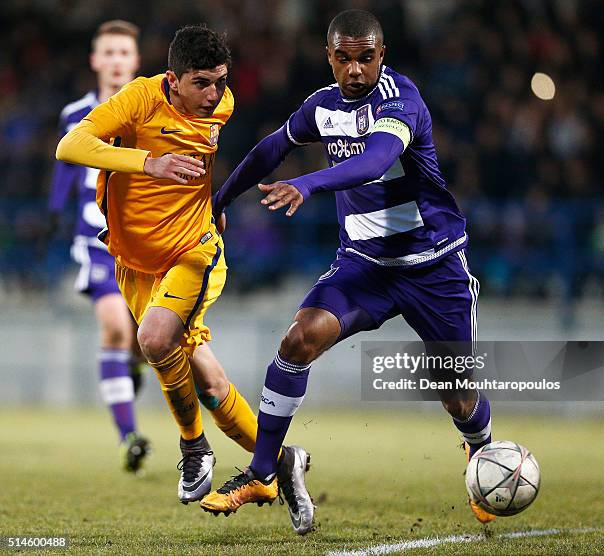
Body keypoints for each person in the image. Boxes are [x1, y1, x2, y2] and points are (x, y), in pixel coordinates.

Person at [201, 9, 495, 525]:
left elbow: (376, 160)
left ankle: (481, 453)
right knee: (297, 340)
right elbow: (272, 148)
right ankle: (263, 472)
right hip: (364, 266)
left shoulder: (401, 101)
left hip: (433, 266)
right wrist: (219, 198)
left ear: (381, 56)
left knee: (457, 394)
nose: (355, 69)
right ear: (330, 57)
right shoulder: (322, 106)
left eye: (365, 58)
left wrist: (309, 183)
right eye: (344, 58)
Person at [56, 23, 315, 533]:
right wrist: (146, 163)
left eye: (221, 80)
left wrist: (211, 205)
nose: (216, 93)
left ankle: (194, 447)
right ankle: (284, 461)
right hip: (133, 262)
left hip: (193, 252)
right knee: (210, 383)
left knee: (153, 338)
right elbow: (70, 145)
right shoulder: (138, 100)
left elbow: (202, 164)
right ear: (172, 80)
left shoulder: (222, 105)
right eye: (203, 82)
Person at [48, 20, 150, 473]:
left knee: (145, 343)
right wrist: (54, 213)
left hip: (148, 244)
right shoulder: (75, 115)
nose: (114, 61)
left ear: (135, 61)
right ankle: (129, 436)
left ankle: (136, 366)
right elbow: (65, 176)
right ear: (95, 60)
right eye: (107, 53)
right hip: (96, 244)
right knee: (113, 327)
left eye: (122, 53)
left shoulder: (150, 110)